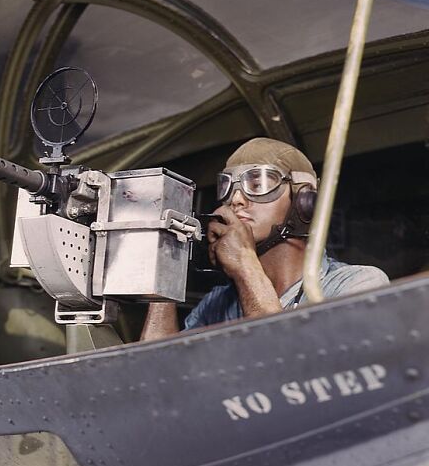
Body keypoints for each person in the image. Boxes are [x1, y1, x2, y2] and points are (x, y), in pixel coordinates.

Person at [141, 137, 389, 340]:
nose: (235, 199)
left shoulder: (356, 285)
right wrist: (165, 272)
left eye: (257, 183)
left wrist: (244, 265)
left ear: (304, 201)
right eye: (227, 186)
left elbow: (284, 363)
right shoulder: (219, 302)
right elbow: (155, 376)